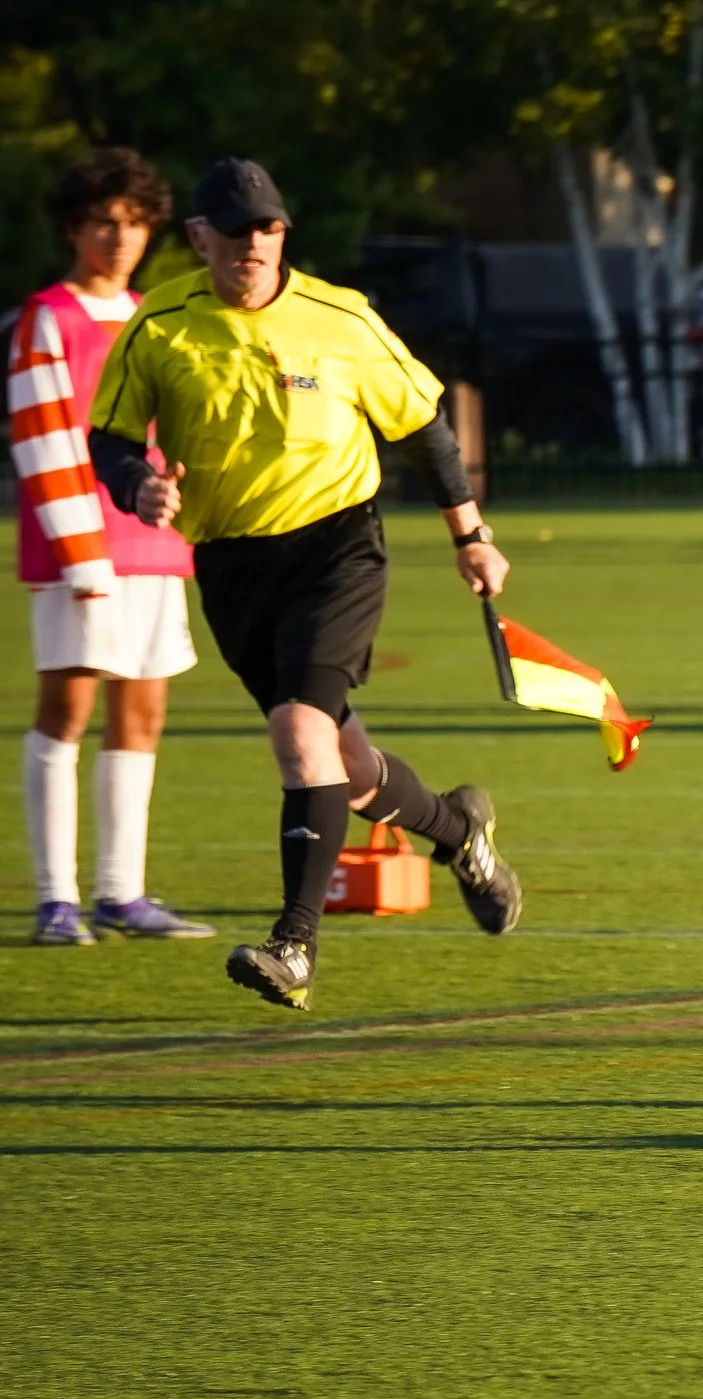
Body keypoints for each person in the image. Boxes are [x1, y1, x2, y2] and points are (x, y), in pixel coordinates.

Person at [88, 158, 520, 1010]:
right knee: (344, 766)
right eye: (237, 228)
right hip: (231, 564)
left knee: (297, 731)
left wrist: (471, 535)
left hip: (337, 547)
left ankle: (295, 944)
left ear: (284, 234)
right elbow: (107, 435)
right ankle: (459, 828)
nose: (255, 243)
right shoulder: (161, 324)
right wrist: (137, 481)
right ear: (199, 239)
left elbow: (425, 426)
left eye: (270, 227)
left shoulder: (342, 317)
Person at [13, 150, 214, 947]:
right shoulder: (47, 317)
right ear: (72, 227)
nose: (119, 236)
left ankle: (120, 893)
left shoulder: (154, 314)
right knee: (67, 710)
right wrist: (81, 553)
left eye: (133, 223)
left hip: (154, 542)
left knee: (145, 711)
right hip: (80, 550)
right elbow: (40, 438)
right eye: (104, 222)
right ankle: (56, 898)